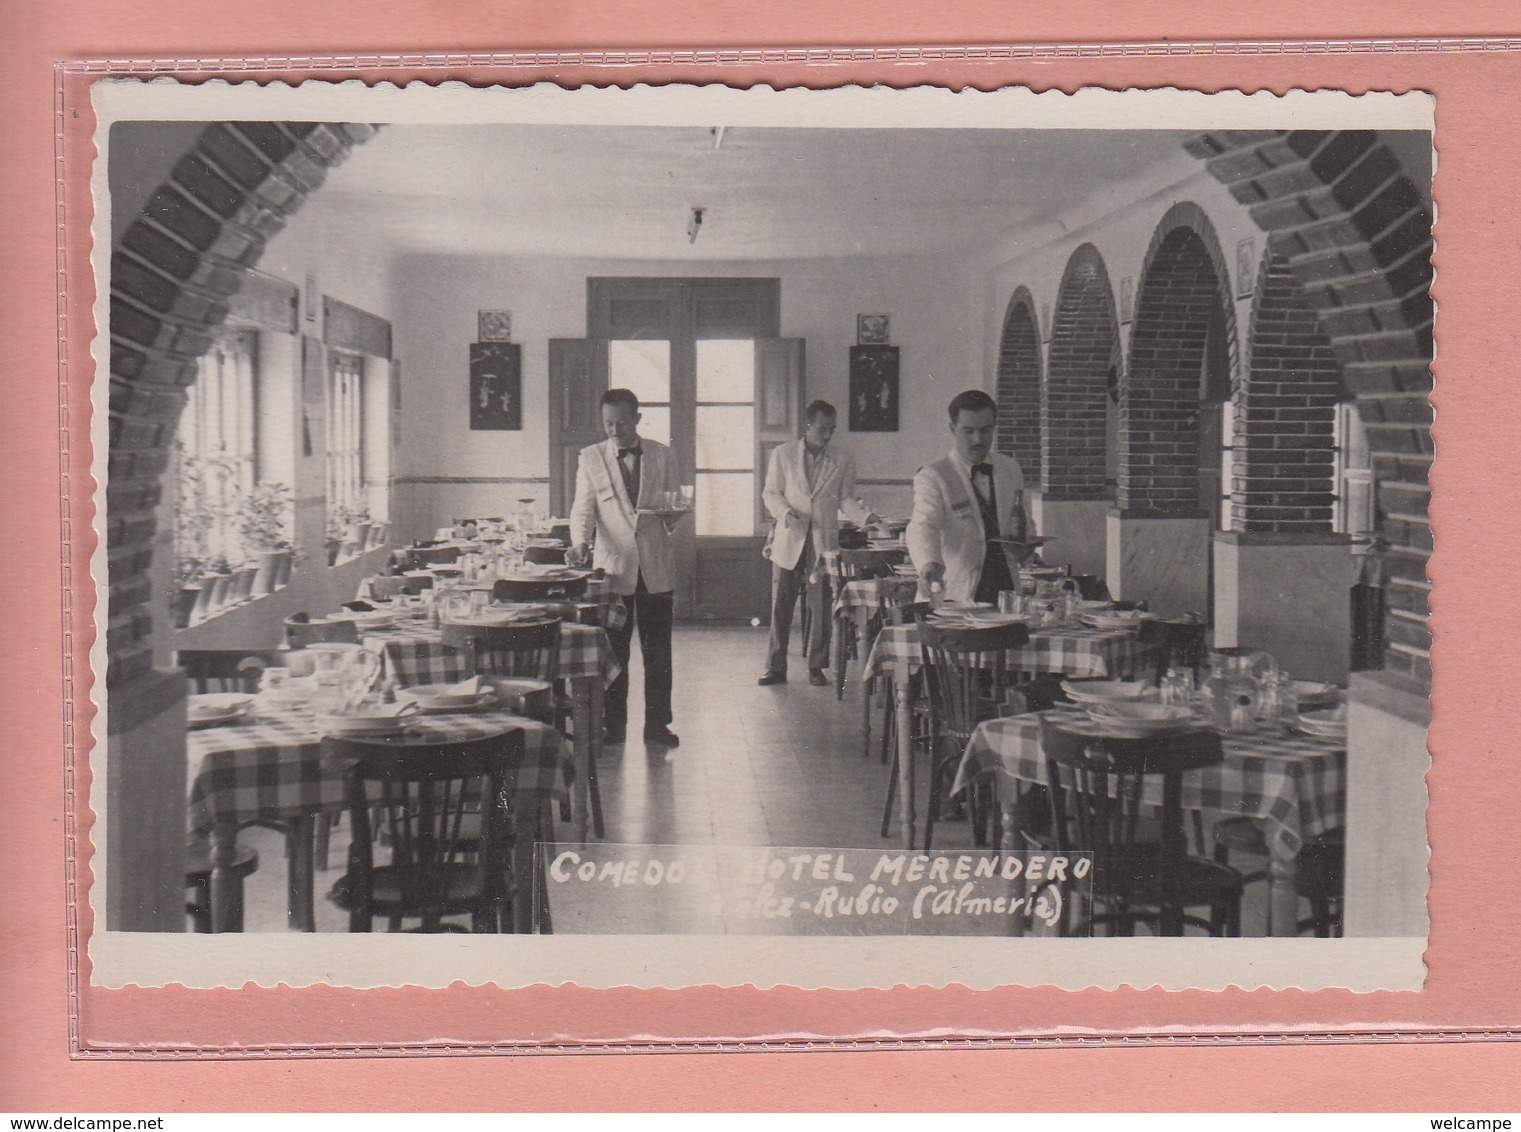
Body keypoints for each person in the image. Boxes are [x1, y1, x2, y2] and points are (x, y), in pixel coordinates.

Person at [568, 389, 683, 746]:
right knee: (614, 653)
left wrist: (672, 517)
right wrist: (580, 543)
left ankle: (657, 725)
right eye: (608, 423)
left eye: (621, 422)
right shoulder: (590, 458)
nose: (614, 430)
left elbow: (673, 503)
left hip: (655, 568)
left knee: (658, 651)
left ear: (637, 418)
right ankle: (612, 726)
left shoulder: (664, 454)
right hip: (613, 572)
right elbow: (583, 509)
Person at [759, 400, 877, 686]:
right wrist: (785, 513)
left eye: (832, 430)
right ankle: (775, 667)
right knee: (781, 605)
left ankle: (817, 665)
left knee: (822, 605)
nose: (827, 436)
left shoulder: (843, 459)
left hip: (823, 539)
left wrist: (867, 518)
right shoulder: (783, 454)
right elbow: (771, 494)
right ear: (807, 426)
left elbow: (847, 499)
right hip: (790, 536)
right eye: (822, 429)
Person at [907, 389, 1032, 606]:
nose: (978, 439)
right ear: (952, 429)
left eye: (985, 430)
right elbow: (924, 525)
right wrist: (928, 565)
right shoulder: (934, 475)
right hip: (957, 592)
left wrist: (1026, 546)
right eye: (968, 431)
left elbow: (1022, 520)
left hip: (1006, 590)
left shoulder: (1010, 469)